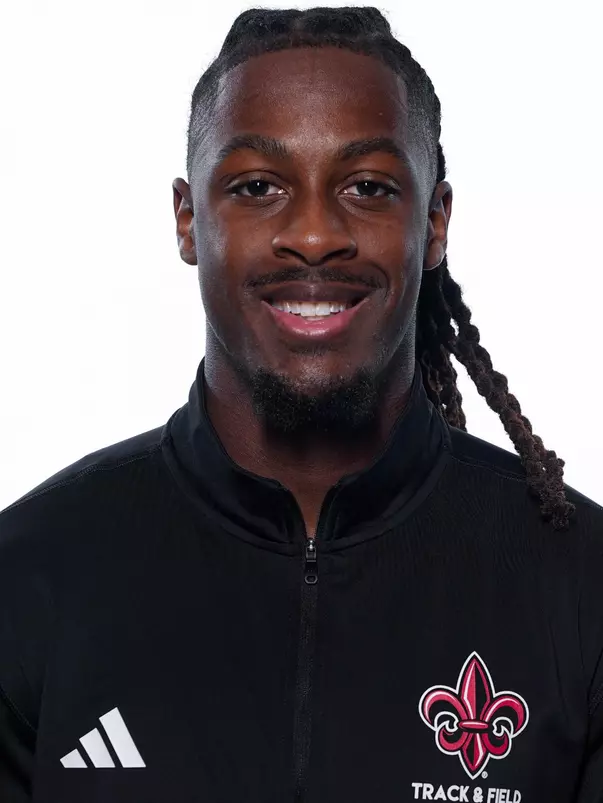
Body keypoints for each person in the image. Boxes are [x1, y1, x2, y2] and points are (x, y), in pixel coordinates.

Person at [1, 6, 602, 802]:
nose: (314, 235)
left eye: (366, 186)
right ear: (188, 218)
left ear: (432, 222)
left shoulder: (579, 583)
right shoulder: (33, 573)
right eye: (257, 186)